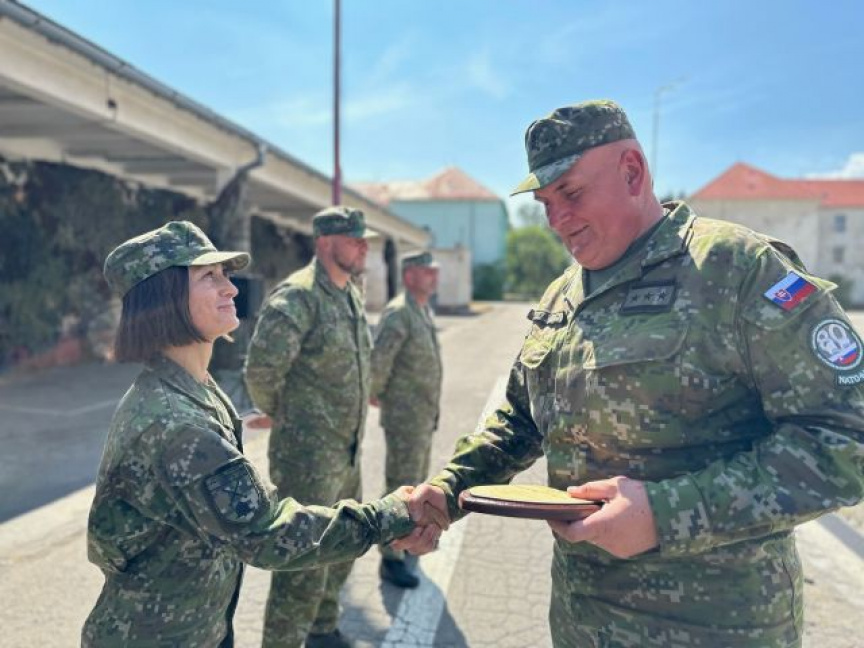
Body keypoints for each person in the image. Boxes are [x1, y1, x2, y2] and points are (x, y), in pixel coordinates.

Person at [400, 99, 864, 647]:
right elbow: (519, 421)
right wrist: (449, 489)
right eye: (546, 203)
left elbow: (845, 438)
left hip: (714, 628)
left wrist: (668, 514)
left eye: (571, 193)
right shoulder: (562, 294)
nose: (556, 221)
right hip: (582, 621)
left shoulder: (736, 269)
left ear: (632, 171)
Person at [83, 221, 440, 648]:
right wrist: (394, 514)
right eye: (209, 277)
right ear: (165, 298)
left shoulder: (195, 388)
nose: (231, 288)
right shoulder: (177, 423)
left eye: (225, 274)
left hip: (196, 627)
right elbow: (269, 533)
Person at [244, 206, 376, 648]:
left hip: (347, 452)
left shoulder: (349, 294)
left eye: (364, 239)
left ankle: (322, 629)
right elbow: (261, 370)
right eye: (354, 239)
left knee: (342, 547)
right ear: (324, 242)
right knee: (300, 567)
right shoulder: (298, 297)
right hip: (307, 459)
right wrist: (282, 414)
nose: (363, 246)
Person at [370, 251, 443, 588]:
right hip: (404, 417)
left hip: (421, 416)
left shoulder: (421, 309)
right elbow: (379, 361)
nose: (434, 277)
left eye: (434, 272)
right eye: (427, 272)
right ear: (410, 276)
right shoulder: (399, 312)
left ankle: (407, 541)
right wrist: (375, 392)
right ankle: (390, 558)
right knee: (400, 486)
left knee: (415, 484)